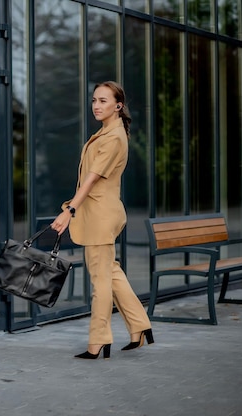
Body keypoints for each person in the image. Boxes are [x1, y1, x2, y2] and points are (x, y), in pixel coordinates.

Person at [50, 81, 154, 359]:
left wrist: (69, 210)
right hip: (102, 213)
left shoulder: (113, 137)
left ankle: (98, 342)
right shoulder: (108, 132)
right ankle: (140, 327)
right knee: (111, 272)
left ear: (118, 106)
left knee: (100, 281)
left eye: (104, 101)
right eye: (95, 100)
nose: (96, 105)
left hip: (99, 216)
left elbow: (91, 179)